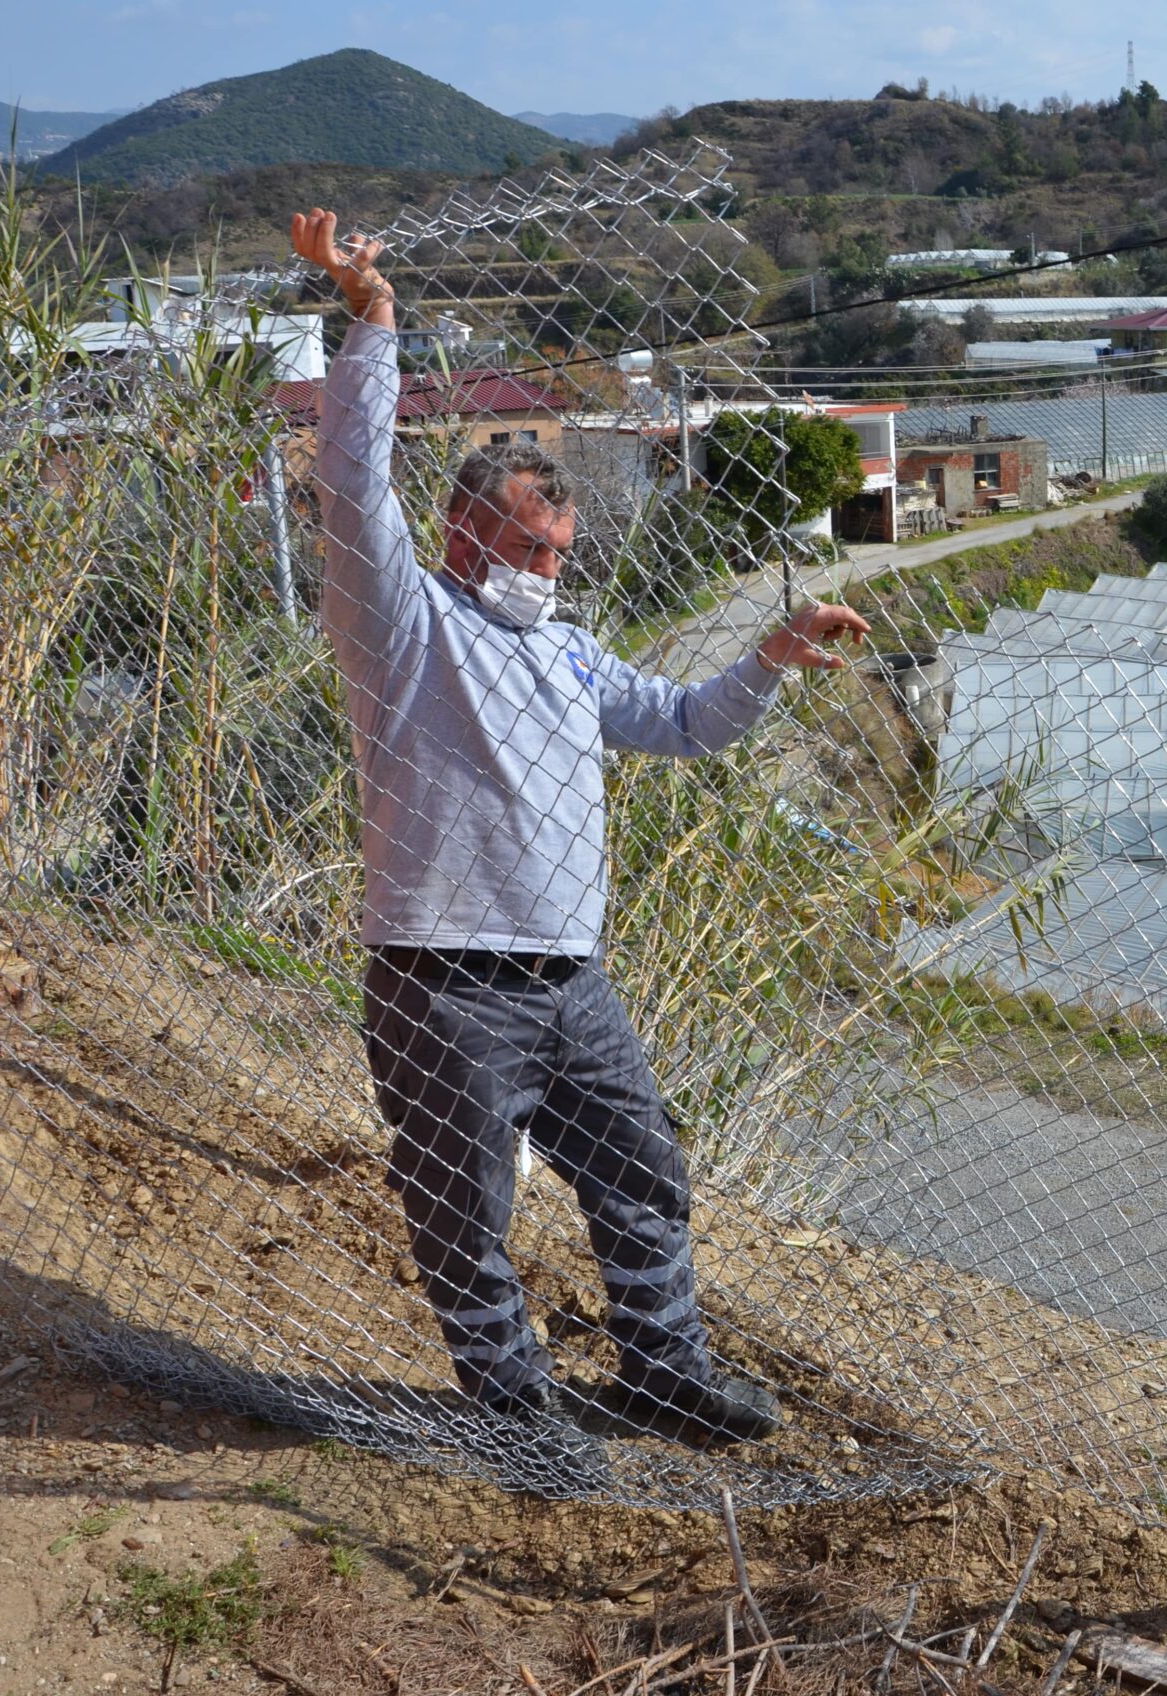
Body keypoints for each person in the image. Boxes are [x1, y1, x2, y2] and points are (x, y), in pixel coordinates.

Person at [292, 207, 872, 1464]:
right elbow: (347, 479)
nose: (546, 567)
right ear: (462, 535)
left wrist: (771, 657)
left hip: (572, 977)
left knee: (642, 1174)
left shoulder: (561, 648)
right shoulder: (404, 625)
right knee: (464, 1207)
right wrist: (370, 322)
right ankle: (517, 1416)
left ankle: (665, 1375)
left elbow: (676, 721)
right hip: (444, 976)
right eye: (525, 545)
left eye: (559, 549)